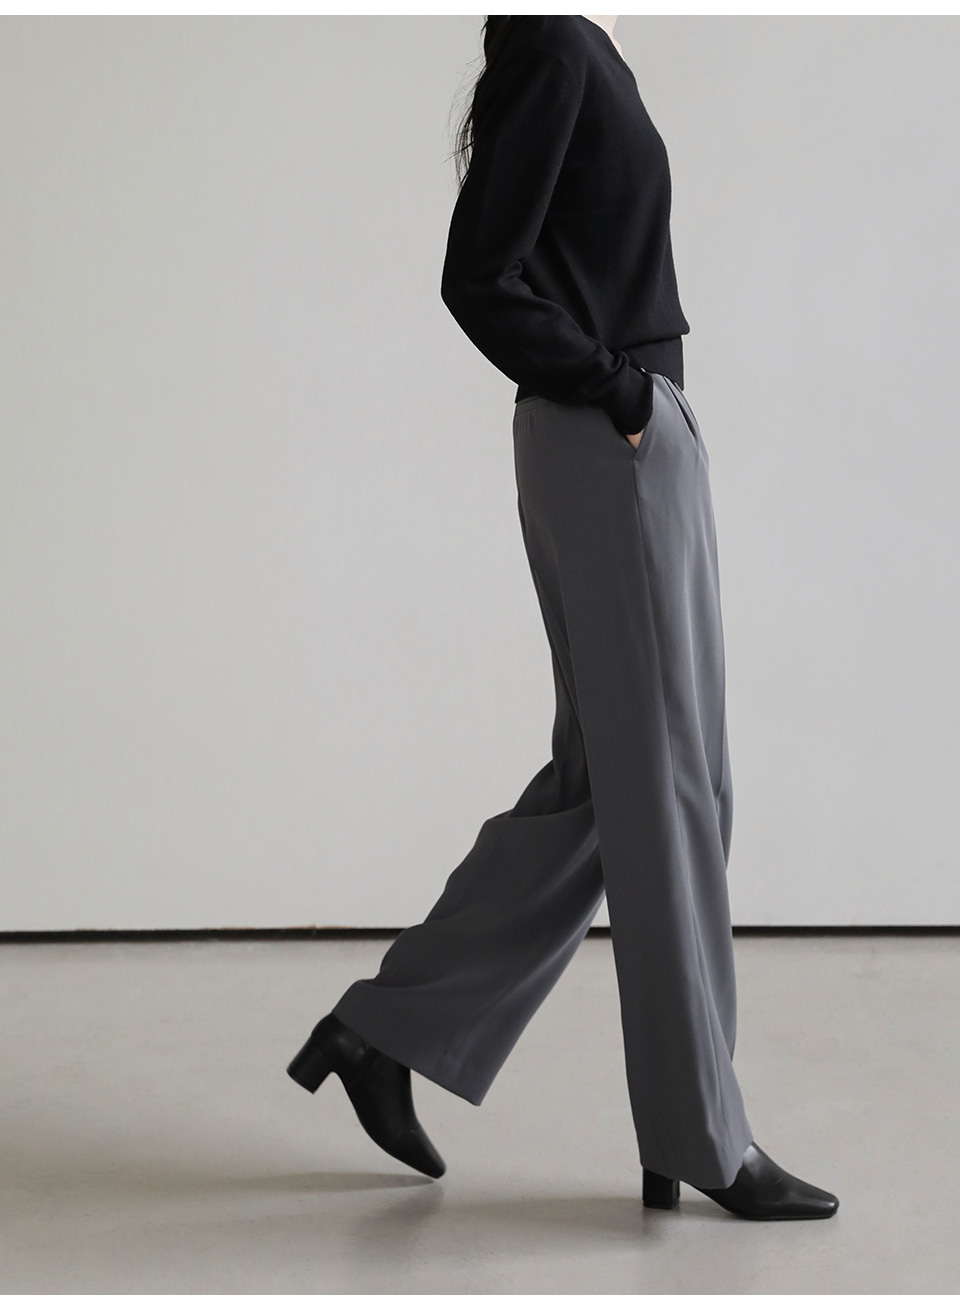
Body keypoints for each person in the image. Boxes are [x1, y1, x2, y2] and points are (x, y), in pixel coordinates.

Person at [287, 14, 839, 1222]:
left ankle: (386, 1032)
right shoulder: (555, 47)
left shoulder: (577, 43)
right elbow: (477, 274)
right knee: (672, 784)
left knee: (611, 784)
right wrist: (619, 393)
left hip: (618, 441)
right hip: (610, 441)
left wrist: (633, 406)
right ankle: (705, 1137)